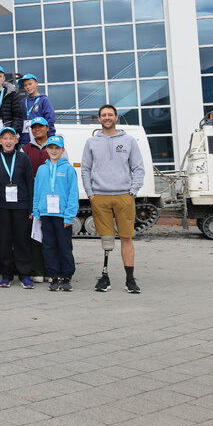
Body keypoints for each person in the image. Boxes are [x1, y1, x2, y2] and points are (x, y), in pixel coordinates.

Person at [81, 104, 145, 294]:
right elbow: (85, 169)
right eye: (103, 115)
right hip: (100, 196)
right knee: (107, 239)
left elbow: (138, 168)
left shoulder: (129, 140)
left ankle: (130, 279)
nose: (107, 117)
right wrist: (90, 193)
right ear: (99, 119)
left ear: (116, 117)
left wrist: (133, 190)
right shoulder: (91, 142)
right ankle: (105, 276)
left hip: (124, 195)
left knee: (126, 237)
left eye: (110, 114)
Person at [0, 127, 35, 289]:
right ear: (0, 141)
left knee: (22, 241)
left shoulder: (23, 158)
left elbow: (30, 183)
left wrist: (31, 208)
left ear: (16, 140)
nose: (8, 141)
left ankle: (25, 275)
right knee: (4, 240)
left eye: (11, 138)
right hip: (2, 207)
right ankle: (6, 275)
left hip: (21, 206)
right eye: (5, 138)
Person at [33, 136, 79, 292]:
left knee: (64, 246)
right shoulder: (41, 169)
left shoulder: (68, 169)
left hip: (62, 215)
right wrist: (36, 212)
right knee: (49, 246)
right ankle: (54, 275)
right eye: (51, 147)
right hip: (46, 214)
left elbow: (73, 193)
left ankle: (66, 276)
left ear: (62, 150)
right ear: (47, 149)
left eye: (57, 148)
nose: (53, 151)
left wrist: (69, 215)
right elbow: (37, 192)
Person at [21, 116, 52, 283]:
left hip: (52, 195)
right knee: (34, 234)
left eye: (40, 127)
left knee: (50, 233)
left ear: (47, 128)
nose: (37, 130)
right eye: (34, 127)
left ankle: (50, 269)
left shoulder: (56, 147)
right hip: (33, 196)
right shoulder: (25, 149)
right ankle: (37, 269)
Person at [18, 74, 57, 146]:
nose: (28, 87)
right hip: (24, 140)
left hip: (40, 139)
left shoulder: (43, 100)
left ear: (36, 84)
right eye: (25, 85)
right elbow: (19, 119)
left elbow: (50, 118)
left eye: (30, 84)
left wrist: (51, 137)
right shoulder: (23, 102)